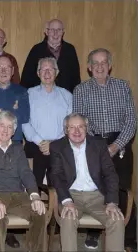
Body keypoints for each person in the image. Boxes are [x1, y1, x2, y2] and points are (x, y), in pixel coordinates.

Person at [73, 48, 137, 250]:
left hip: (121, 143)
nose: (100, 66)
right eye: (95, 63)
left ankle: (129, 238)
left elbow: (131, 121)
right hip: (92, 142)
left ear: (110, 65)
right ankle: (94, 232)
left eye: (104, 62)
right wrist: (100, 148)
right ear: (89, 68)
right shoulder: (80, 90)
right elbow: (80, 121)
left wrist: (116, 145)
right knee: (96, 188)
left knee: (123, 190)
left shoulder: (122, 87)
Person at [49, 113, 125, 252]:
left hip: (97, 197)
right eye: (72, 127)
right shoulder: (57, 146)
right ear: (66, 130)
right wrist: (67, 201)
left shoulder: (99, 144)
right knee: (68, 219)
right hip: (71, 195)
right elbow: (56, 176)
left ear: (87, 128)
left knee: (116, 219)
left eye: (80, 127)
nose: (76, 131)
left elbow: (110, 174)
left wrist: (112, 202)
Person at [0, 110, 47, 251]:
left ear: (14, 131)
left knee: (40, 212)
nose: (5, 130)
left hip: (18, 195)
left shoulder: (18, 149)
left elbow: (26, 173)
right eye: (2, 125)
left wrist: (34, 196)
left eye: (10, 127)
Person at [22, 57, 72, 191]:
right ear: (38, 73)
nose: (47, 73)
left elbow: (70, 125)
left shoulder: (67, 96)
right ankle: (33, 208)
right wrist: (41, 142)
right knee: (32, 187)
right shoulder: (28, 94)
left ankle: (57, 210)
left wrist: (53, 144)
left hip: (59, 146)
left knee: (58, 188)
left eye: (51, 69)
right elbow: (24, 122)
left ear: (57, 72)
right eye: (43, 69)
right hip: (34, 145)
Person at [21, 19, 81, 93]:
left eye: (59, 30)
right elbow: (26, 78)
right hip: (40, 97)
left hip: (65, 97)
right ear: (47, 32)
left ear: (63, 32)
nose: (55, 33)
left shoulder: (70, 50)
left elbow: (76, 78)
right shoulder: (36, 50)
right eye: (52, 30)